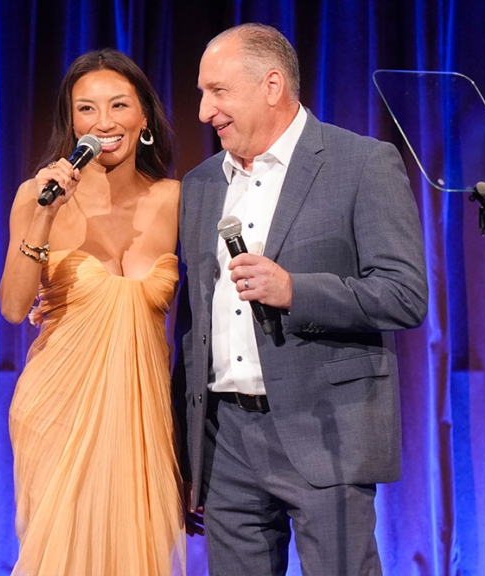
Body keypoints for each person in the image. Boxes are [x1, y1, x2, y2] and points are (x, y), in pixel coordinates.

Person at [175, 23, 429, 575]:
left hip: (325, 430)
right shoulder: (199, 185)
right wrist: (186, 448)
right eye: (201, 93)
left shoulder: (362, 164)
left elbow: (405, 295)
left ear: (271, 86)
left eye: (217, 91)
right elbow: (191, 329)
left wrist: (295, 291)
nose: (203, 111)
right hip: (225, 443)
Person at [0, 48, 187, 576]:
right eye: (86, 109)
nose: (103, 122)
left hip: (143, 420)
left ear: (144, 117)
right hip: (56, 411)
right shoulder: (36, 195)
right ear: (72, 120)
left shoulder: (178, 200)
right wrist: (43, 217)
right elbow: (14, 307)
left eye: (119, 105)